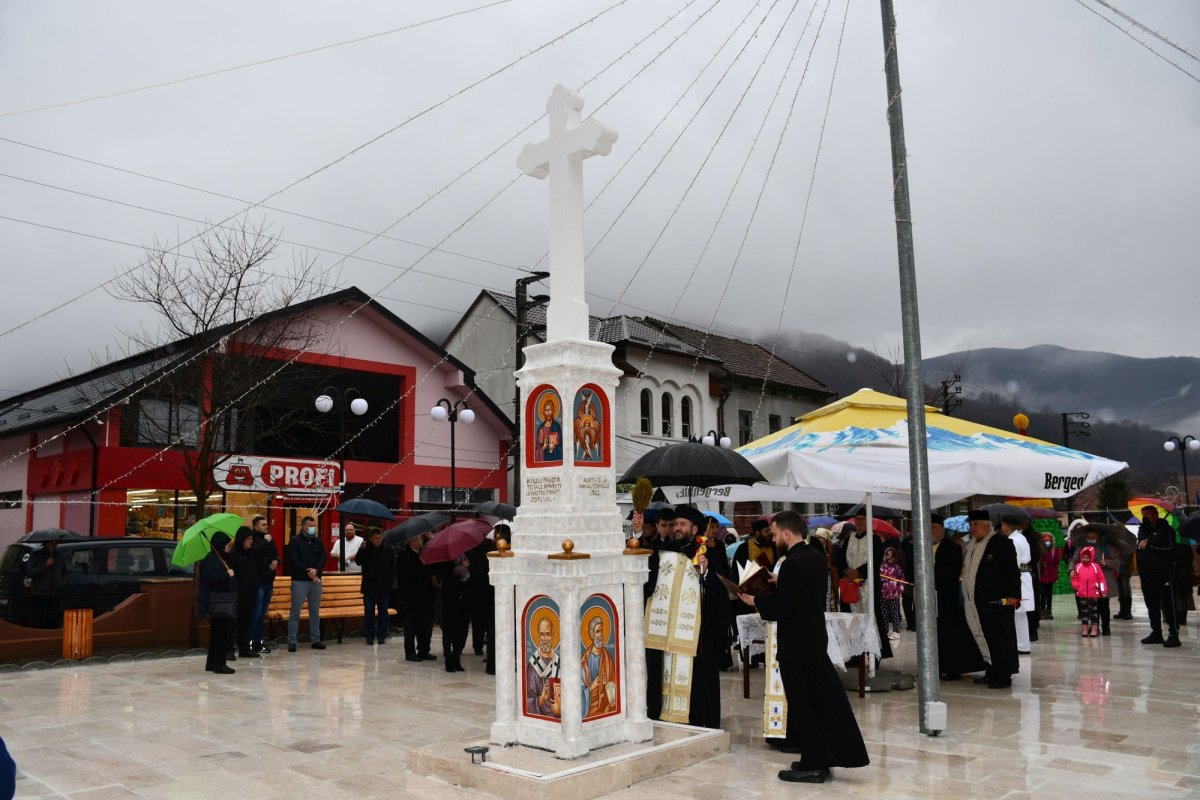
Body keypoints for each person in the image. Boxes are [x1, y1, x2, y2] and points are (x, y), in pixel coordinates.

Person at [741, 510, 869, 784]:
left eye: (775, 534)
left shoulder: (791, 563)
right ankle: (818, 757)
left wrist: (756, 601)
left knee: (804, 707)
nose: (773, 538)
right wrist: (781, 582)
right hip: (813, 640)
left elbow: (781, 608)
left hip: (796, 646)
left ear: (787, 534)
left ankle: (813, 765)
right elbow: (802, 592)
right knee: (818, 702)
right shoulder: (815, 556)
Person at [674, 505, 729, 729]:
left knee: (703, 677)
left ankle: (705, 720)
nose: (677, 528)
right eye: (676, 524)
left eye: (682, 524)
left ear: (694, 529)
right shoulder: (671, 550)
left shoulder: (709, 552)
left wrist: (705, 572)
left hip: (704, 630)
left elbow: (721, 585)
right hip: (678, 629)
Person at [961, 510, 1021, 689]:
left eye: (976, 524)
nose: (972, 528)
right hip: (977, 602)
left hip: (998, 601)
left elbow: (1011, 571)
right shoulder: (972, 545)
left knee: (1000, 638)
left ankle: (1003, 675)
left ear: (987, 525)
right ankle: (991, 670)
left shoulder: (1002, 543)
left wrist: (1012, 596)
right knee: (984, 636)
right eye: (970, 525)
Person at [930, 513, 985, 681]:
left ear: (942, 529)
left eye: (934, 527)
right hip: (926, 599)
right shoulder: (920, 547)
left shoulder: (952, 547)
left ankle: (951, 668)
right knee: (930, 633)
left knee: (948, 634)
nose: (931, 531)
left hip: (946, 598)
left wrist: (930, 577)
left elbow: (953, 571)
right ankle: (931, 667)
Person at [642, 506, 674, 720]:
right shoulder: (651, 550)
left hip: (676, 613)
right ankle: (653, 708)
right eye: (664, 525)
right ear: (657, 526)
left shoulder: (683, 549)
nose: (668, 529)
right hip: (655, 613)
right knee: (654, 664)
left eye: (672, 525)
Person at [1136, 505, 1180, 647]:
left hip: (1163, 572)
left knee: (1168, 603)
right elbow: (1139, 546)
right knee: (1151, 603)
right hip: (1146, 572)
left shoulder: (1166, 530)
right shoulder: (1142, 530)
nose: (1145, 517)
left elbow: (1168, 548)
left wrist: (1149, 546)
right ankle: (1156, 632)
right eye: (1143, 515)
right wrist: (1140, 546)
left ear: (1155, 514)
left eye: (1147, 514)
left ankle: (1173, 633)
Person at [286, 516, 326, 652]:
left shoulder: (318, 542)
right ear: (303, 526)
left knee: (315, 611)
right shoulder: (295, 541)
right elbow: (294, 559)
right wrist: (308, 571)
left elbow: (322, 558)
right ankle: (292, 641)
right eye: (310, 525)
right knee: (295, 611)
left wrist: (316, 570)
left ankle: (315, 639)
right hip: (299, 580)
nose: (313, 528)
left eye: (314, 525)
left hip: (315, 580)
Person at [1070, 527, 1120, 636]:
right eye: (1088, 537)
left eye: (1093, 537)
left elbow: (1117, 561)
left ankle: (1106, 627)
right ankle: (1093, 627)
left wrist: (1107, 562)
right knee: (1091, 607)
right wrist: (1072, 569)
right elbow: (1074, 559)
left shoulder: (1106, 546)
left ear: (1098, 536)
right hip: (1088, 583)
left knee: (1104, 605)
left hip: (1104, 580)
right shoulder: (1081, 547)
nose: (1090, 539)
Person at [200, 531, 237, 674]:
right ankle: (219, 664)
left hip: (221, 601)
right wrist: (227, 574)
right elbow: (210, 578)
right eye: (227, 544)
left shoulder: (220, 558)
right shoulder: (211, 560)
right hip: (216, 602)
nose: (229, 547)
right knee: (220, 634)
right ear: (221, 545)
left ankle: (212, 663)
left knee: (218, 634)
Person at [397, 532, 437, 662]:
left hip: (426, 595)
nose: (421, 540)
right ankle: (410, 652)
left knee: (426, 625)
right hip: (411, 597)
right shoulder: (404, 555)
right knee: (411, 626)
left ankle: (424, 650)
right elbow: (404, 577)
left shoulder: (423, 553)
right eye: (418, 538)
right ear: (411, 541)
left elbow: (429, 569)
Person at [999, 515, 1035, 655]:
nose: (1002, 528)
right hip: (1023, 576)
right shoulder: (1021, 537)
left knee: (1018, 613)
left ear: (1007, 526)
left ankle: (1021, 645)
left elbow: (1015, 562)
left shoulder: (1013, 540)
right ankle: (1022, 644)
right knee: (1019, 614)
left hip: (1019, 577)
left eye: (1003, 525)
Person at [355, 528, 394, 645]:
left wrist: (389, 583)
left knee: (383, 612)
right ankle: (369, 636)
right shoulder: (366, 548)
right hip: (369, 587)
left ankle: (381, 635)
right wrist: (361, 549)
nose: (378, 540)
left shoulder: (388, 549)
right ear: (371, 539)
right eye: (376, 538)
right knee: (369, 612)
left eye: (380, 538)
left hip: (383, 586)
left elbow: (392, 568)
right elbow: (358, 561)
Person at [247, 515, 279, 653]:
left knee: (262, 615)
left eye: (267, 524)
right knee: (256, 613)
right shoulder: (252, 539)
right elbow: (254, 553)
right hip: (258, 582)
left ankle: (258, 642)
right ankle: (250, 643)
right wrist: (266, 541)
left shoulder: (269, 539)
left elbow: (276, 553)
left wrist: (277, 561)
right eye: (263, 524)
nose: (266, 526)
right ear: (256, 526)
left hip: (268, 581)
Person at [229, 527, 259, 658]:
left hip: (249, 595)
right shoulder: (234, 555)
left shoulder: (250, 554)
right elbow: (234, 576)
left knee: (245, 623)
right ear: (242, 539)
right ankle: (229, 650)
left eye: (252, 539)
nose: (251, 541)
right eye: (248, 539)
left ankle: (244, 648)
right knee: (233, 624)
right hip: (238, 595)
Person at [437, 554, 470, 672]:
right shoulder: (444, 562)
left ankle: (456, 659)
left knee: (458, 631)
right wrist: (458, 571)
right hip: (448, 600)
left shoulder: (462, 558)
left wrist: (464, 568)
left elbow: (467, 578)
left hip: (460, 600)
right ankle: (449, 660)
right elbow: (444, 578)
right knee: (448, 632)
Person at [581, 615, 617, 718]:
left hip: (604, 708)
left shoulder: (608, 658)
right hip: (589, 708)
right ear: (592, 635)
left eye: (601, 631)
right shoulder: (584, 660)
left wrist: (612, 699)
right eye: (597, 632)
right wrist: (592, 686)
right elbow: (578, 691)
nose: (600, 635)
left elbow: (614, 682)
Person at [25, 539, 67, 629]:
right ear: (46, 544)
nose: (54, 546)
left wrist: (62, 582)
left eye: (55, 543)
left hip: (55, 593)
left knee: (53, 620)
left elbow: (64, 572)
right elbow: (30, 572)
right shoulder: (36, 555)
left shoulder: (59, 557)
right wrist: (45, 565)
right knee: (39, 620)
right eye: (52, 543)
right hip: (40, 594)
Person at [526, 616, 561, 718]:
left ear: (552, 636)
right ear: (538, 636)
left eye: (548, 634)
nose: (545, 638)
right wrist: (541, 699)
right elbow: (528, 699)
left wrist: (561, 708)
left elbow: (570, 693)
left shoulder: (559, 662)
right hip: (540, 714)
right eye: (542, 634)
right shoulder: (533, 665)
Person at [1070, 545, 1107, 637]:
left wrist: (1103, 591)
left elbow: (1101, 579)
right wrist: (1076, 587)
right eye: (1083, 557)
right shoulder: (1078, 566)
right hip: (1082, 593)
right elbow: (1074, 578)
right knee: (1084, 612)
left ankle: (1094, 629)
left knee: (1094, 612)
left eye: (1087, 557)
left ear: (1091, 557)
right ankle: (1085, 629)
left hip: (1093, 593)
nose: (1085, 559)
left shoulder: (1096, 567)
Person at [878, 547, 906, 640]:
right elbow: (879, 579)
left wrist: (899, 590)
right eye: (887, 555)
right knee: (884, 614)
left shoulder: (897, 568)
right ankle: (885, 631)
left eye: (890, 555)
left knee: (895, 613)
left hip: (894, 595)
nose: (889, 557)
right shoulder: (882, 567)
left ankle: (896, 631)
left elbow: (901, 580)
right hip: (883, 594)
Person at [1037, 532, 1062, 621]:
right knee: (1042, 594)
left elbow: (1056, 564)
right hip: (1042, 575)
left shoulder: (1054, 551)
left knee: (1049, 594)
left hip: (1050, 576)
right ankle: (1042, 610)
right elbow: (1038, 563)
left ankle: (1049, 610)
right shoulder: (1040, 551)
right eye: (1045, 540)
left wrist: (1055, 574)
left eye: (1049, 540)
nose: (1047, 542)